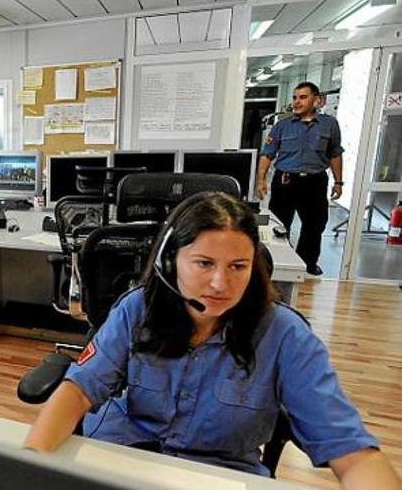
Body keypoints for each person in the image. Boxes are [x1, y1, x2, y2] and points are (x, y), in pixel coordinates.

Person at [24, 192, 401, 489]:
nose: (221, 284)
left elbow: (354, 454)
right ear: (170, 262)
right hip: (122, 460)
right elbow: (76, 392)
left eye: (238, 266)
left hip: (217, 476)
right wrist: (27, 469)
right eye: (204, 264)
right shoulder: (137, 309)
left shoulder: (285, 336)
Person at [255, 81, 343, 277]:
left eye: (303, 97)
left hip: (315, 181)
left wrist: (338, 182)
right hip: (286, 181)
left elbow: (335, 154)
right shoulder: (282, 126)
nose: (297, 102)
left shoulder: (329, 125)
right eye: (295, 97)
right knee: (278, 225)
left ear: (317, 100)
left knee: (315, 225)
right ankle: (278, 263)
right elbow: (267, 154)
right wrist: (261, 180)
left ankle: (306, 263)